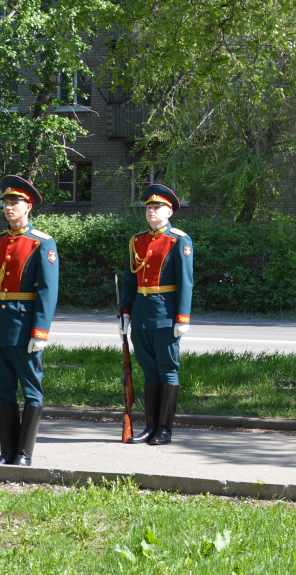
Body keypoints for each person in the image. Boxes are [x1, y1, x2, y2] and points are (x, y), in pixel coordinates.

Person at [0, 175, 58, 466]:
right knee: (4, 391)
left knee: (31, 390)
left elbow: (47, 291)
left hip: (25, 328)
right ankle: (7, 451)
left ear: (28, 206)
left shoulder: (42, 243)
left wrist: (40, 331)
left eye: (15, 203)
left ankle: (24, 453)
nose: (9, 207)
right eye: (6, 202)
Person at [119, 184, 194, 445]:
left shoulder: (178, 240)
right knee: (149, 370)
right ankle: (150, 426)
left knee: (167, 369)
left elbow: (186, 282)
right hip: (141, 314)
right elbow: (129, 281)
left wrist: (182, 318)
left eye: (157, 207)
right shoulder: (137, 240)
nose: (151, 211)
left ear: (169, 211)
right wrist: (125, 312)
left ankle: (165, 429)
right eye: (149, 207)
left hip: (166, 313)